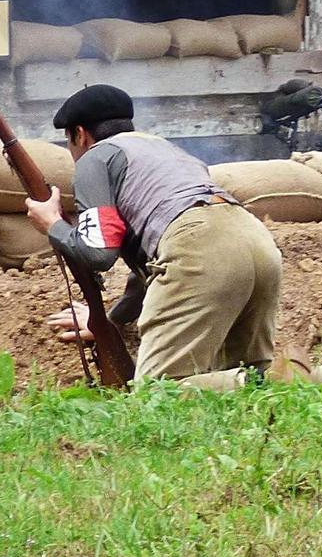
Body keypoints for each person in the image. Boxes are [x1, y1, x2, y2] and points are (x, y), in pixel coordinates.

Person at [24, 83, 282, 389]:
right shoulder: (165, 149)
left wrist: (52, 223)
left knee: (157, 393)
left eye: (69, 142)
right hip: (257, 241)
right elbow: (147, 271)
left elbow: (99, 253)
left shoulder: (95, 158)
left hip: (198, 246)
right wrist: (112, 322)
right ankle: (311, 379)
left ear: (80, 134)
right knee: (248, 374)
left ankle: (267, 382)